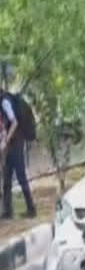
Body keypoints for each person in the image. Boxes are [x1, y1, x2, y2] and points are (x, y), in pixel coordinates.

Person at [0, 85, 35, 218]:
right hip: (11, 144)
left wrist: (6, 140)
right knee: (7, 177)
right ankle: (8, 211)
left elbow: (14, 122)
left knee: (21, 177)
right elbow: (6, 124)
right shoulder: (4, 100)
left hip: (16, 144)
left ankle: (31, 209)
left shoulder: (5, 101)